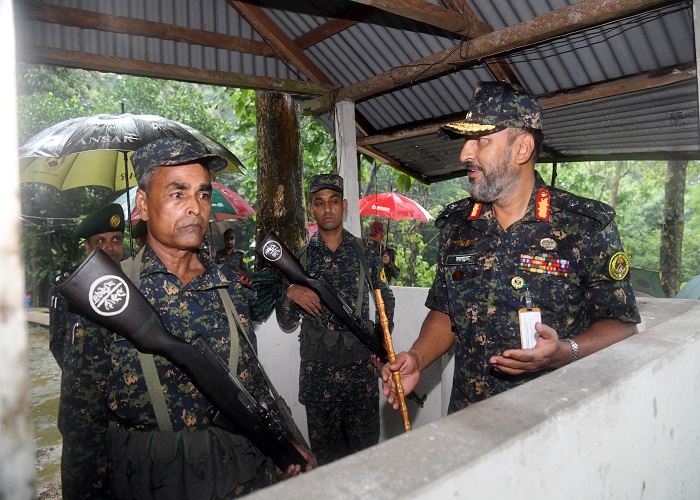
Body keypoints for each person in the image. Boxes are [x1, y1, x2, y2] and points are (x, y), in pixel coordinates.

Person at [57, 137, 315, 499]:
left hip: (241, 478)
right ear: (143, 205)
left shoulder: (228, 288)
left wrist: (288, 444)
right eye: (178, 194)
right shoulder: (108, 297)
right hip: (152, 483)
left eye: (203, 194)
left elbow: (251, 384)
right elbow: (82, 425)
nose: (195, 207)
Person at [381, 81, 641, 415]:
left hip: (550, 421)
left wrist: (566, 351)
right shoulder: (459, 225)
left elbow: (620, 323)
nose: (465, 154)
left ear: (522, 148)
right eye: (466, 140)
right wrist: (417, 358)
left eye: (481, 140)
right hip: (467, 418)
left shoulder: (584, 226)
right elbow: (447, 312)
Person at [276, 174, 395, 465]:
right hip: (319, 384)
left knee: (366, 462)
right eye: (319, 203)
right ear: (312, 210)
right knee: (327, 465)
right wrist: (291, 293)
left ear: (343, 206)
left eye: (333, 202)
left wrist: (378, 343)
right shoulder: (299, 258)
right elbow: (285, 321)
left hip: (360, 380)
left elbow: (385, 300)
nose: (327, 209)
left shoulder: (367, 251)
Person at [49, 202, 125, 366]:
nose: (110, 247)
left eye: (116, 239)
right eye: (100, 241)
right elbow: (57, 342)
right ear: (87, 247)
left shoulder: (133, 277)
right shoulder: (67, 285)